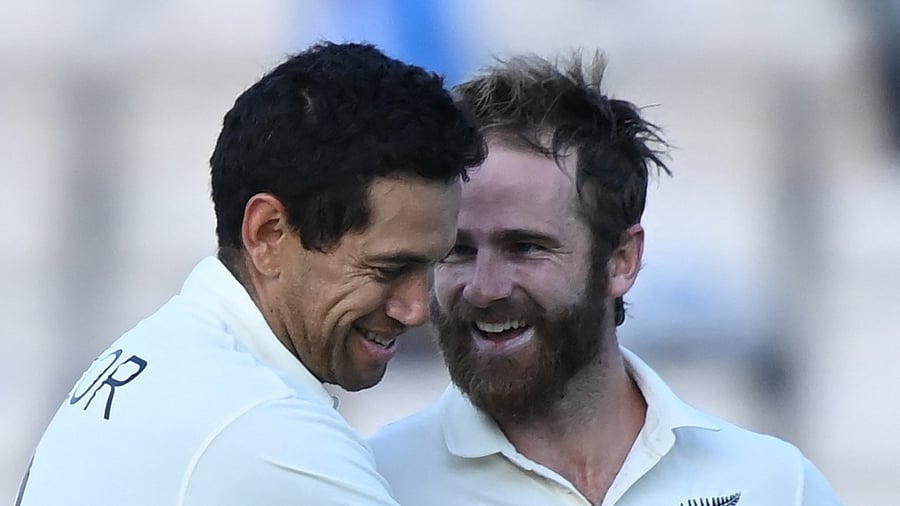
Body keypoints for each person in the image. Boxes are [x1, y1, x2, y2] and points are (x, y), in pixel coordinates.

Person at [17, 41, 484, 505]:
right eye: (388, 269)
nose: (417, 309)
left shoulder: (161, 356)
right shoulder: (267, 431)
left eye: (431, 266)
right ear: (268, 234)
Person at [369, 53, 843, 505]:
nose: (484, 287)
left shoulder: (776, 484)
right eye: (458, 250)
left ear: (621, 260)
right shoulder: (370, 486)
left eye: (525, 248)